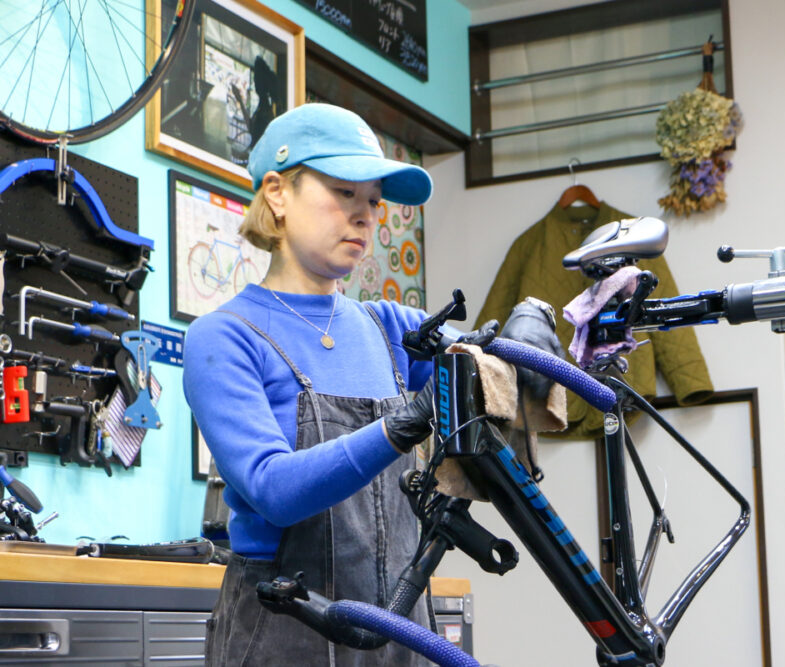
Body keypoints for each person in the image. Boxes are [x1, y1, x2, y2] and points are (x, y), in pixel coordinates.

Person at [183, 103, 561, 667]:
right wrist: (401, 426)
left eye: (374, 202)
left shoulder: (393, 329)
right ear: (278, 193)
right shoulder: (224, 337)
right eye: (344, 193)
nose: (365, 217)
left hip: (400, 626)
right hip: (287, 629)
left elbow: (497, 374)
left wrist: (533, 326)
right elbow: (273, 489)